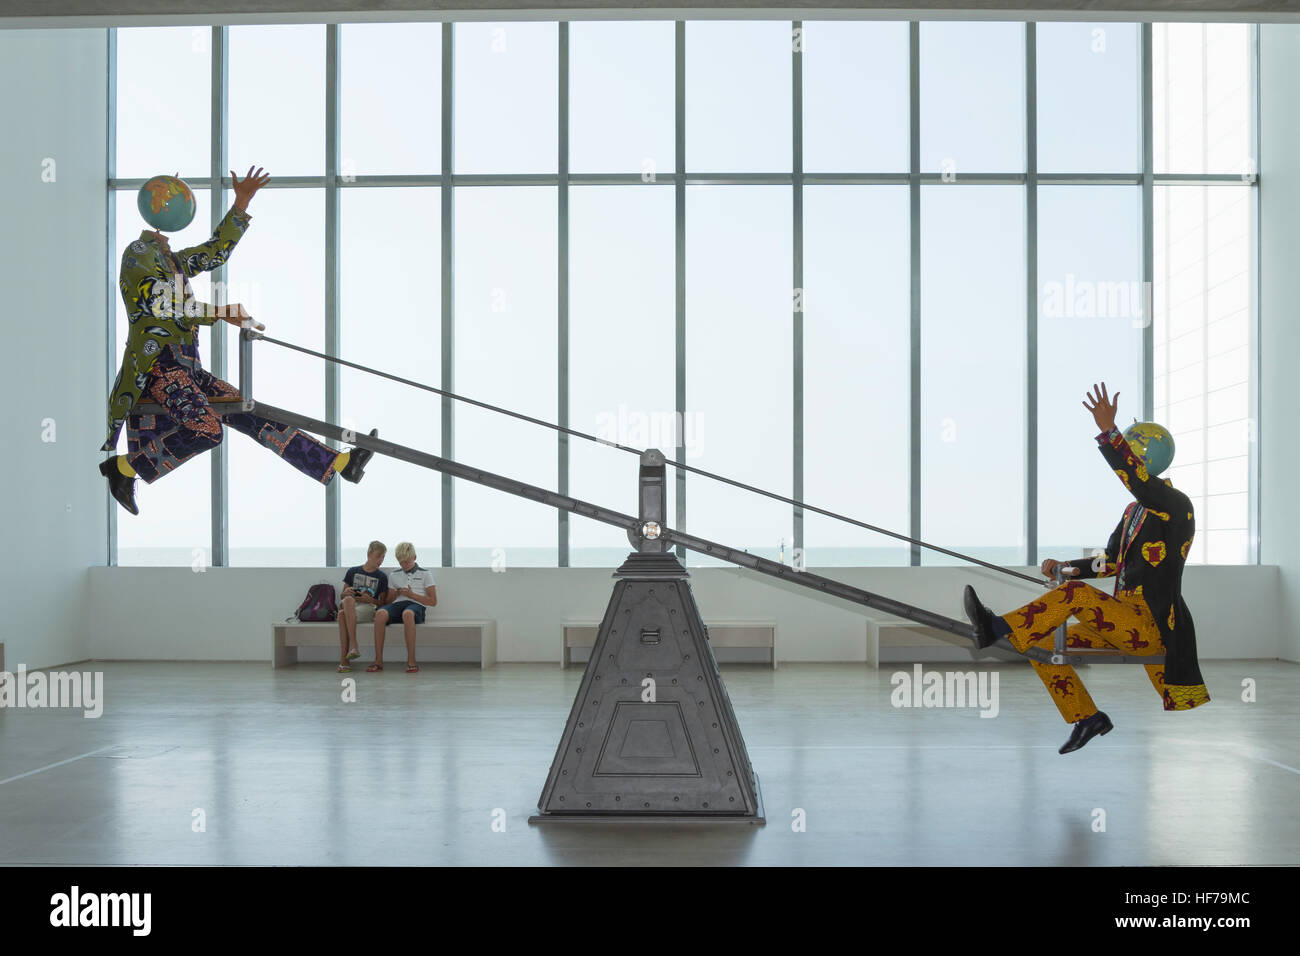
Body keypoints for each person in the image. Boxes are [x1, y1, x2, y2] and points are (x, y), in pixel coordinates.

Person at [99, 166, 376, 515]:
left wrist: (241, 202)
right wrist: (218, 311)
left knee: (253, 413)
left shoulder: (174, 261)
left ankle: (339, 464)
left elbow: (214, 252)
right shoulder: (139, 251)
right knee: (206, 429)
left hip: (189, 368)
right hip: (158, 367)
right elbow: (155, 301)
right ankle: (123, 469)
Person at [963, 382, 1209, 755]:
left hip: (1149, 627)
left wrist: (1109, 433)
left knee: (1074, 598)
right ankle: (1086, 718)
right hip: (1120, 620)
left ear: (1144, 458)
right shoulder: (1134, 513)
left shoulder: (1174, 505)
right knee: (1041, 646)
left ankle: (998, 626)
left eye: (1132, 447)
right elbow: (1108, 561)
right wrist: (1066, 568)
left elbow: (1141, 485)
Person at [366, 542, 437, 675]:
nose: (404, 566)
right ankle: (378, 661)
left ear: (414, 557)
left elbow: (433, 601)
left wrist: (412, 595)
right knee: (380, 613)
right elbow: (387, 601)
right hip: (398, 605)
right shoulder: (394, 575)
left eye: (406, 562)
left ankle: (411, 661)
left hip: (417, 606)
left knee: (408, 614)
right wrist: (396, 594)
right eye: (401, 563)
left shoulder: (425, 574)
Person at [338, 541, 389, 673]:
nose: (381, 560)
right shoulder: (353, 571)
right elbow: (342, 596)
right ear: (369, 554)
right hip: (351, 605)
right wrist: (346, 593)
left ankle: (345, 660)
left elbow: (382, 604)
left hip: (367, 608)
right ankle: (353, 646)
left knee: (341, 615)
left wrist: (370, 599)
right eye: (378, 556)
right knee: (348, 600)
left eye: (383, 557)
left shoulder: (381, 577)